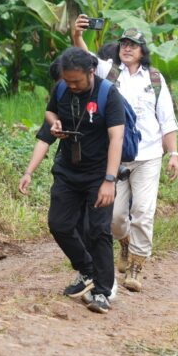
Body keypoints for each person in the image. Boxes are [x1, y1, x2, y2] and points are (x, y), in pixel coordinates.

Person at [72, 16, 178, 294]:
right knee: (116, 217)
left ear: (143, 51)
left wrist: (174, 154)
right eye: (124, 44)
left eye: (133, 45)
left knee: (143, 211)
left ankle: (136, 264)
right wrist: (76, 35)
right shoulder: (109, 71)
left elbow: (166, 120)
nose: (127, 48)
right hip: (116, 155)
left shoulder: (155, 79)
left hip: (148, 155)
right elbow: (84, 58)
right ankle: (124, 241)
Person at [42, 47, 126, 314]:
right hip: (68, 170)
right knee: (59, 223)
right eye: (68, 81)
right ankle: (87, 269)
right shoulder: (62, 89)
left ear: (91, 72)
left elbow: (117, 138)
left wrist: (110, 180)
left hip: (99, 173)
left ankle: (102, 291)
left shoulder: (108, 94)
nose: (72, 86)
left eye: (77, 81)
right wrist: (54, 123)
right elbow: (50, 113)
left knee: (99, 230)